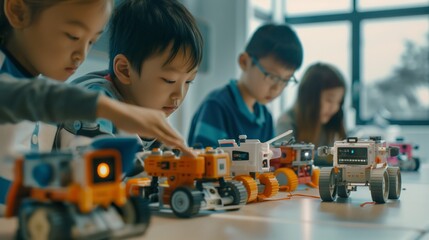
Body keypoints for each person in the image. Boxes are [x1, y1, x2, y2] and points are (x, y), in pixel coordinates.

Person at [0, 0, 191, 211]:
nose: (81, 56)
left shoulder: (31, 80)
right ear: (18, 12)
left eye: (91, 42)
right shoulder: (18, 83)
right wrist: (106, 107)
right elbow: (24, 95)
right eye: (73, 36)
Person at [40, 0, 203, 151]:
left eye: (189, 81)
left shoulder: (146, 107)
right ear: (125, 70)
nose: (179, 94)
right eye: (169, 80)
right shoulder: (95, 103)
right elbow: (100, 163)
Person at [187, 23, 303, 148]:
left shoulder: (265, 118)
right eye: (272, 77)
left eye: (285, 80)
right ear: (245, 62)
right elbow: (206, 162)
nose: (277, 88)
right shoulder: (217, 107)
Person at [276, 62, 347, 164]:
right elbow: (284, 160)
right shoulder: (286, 122)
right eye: (329, 100)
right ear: (309, 98)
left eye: (339, 102)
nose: (335, 108)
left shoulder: (331, 125)